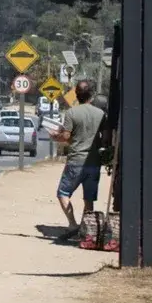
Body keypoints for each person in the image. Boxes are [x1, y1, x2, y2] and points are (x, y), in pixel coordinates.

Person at [53, 79, 106, 240]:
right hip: (94, 162)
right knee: (89, 198)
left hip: (76, 160)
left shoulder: (71, 113)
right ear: (92, 95)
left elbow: (66, 137)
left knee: (63, 193)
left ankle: (73, 224)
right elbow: (106, 138)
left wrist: (56, 136)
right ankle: (86, 229)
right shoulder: (101, 114)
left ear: (76, 95)